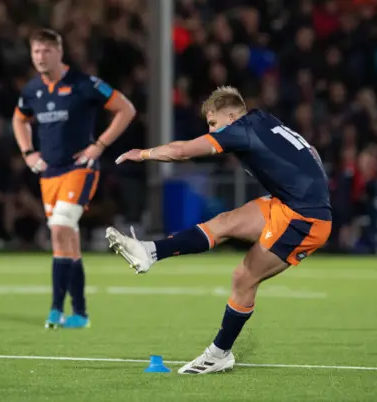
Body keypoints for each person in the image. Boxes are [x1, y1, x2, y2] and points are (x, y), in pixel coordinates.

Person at [107, 86, 332, 374]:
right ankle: (150, 251)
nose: (213, 130)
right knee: (225, 222)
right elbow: (311, 151)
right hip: (290, 203)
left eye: (213, 123)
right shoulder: (264, 119)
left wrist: (143, 154)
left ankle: (219, 353)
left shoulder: (240, 130)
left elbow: (182, 151)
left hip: (305, 218)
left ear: (231, 115)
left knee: (243, 277)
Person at [12, 29, 136, 329]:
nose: (40, 57)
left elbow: (126, 109)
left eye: (45, 51)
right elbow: (19, 119)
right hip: (49, 173)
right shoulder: (32, 90)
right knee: (68, 240)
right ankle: (79, 313)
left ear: (59, 51)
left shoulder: (84, 83)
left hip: (80, 168)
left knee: (60, 228)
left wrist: (100, 145)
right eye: (35, 52)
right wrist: (28, 151)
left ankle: (55, 309)